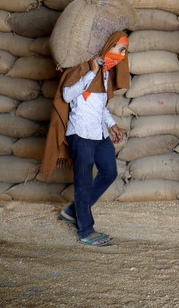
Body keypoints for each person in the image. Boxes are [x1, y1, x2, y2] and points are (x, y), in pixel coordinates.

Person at [41, 31, 129, 247]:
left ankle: (72, 212)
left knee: (109, 171)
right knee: (83, 179)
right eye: (121, 49)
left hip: (98, 132)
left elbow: (99, 106)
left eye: (125, 51)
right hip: (79, 132)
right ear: (108, 46)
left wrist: (112, 124)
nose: (123, 55)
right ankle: (85, 230)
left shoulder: (106, 73)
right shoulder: (83, 68)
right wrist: (91, 73)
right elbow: (67, 95)